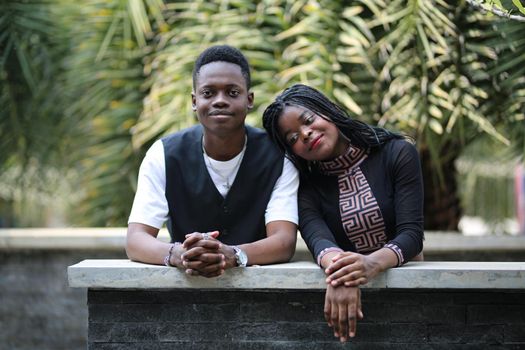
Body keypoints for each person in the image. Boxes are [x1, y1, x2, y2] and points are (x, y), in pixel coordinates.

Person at [262, 84, 424, 342]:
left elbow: (412, 235)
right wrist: (347, 275)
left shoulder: (397, 153)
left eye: (308, 120)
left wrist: (370, 264)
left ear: (329, 111)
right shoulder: (306, 186)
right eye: (292, 138)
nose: (304, 134)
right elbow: (319, 241)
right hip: (340, 308)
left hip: (411, 300)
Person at [126, 45, 299, 278]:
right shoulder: (164, 155)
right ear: (194, 101)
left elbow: (284, 241)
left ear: (249, 99)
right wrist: (177, 254)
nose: (220, 101)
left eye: (232, 92)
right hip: (183, 293)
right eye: (208, 93)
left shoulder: (278, 156)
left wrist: (234, 254)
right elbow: (136, 239)